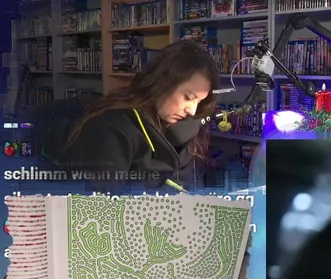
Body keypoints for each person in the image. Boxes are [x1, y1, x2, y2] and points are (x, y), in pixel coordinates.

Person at [60, 40, 221, 191]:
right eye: (188, 97)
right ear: (162, 82)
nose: (192, 111)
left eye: (199, 102)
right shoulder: (110, 130)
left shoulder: (180, 127)